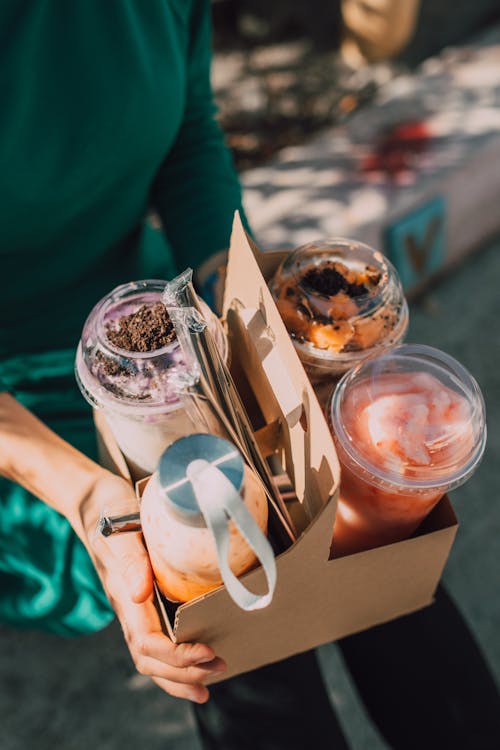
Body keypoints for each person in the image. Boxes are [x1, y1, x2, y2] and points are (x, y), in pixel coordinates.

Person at [1, 2, 499, 748]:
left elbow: (189, 136)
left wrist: (244, 310)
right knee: (227, 616)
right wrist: (87, 500)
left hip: (161, 329)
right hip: (28, 417)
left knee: (362, 525)